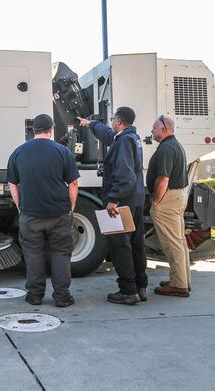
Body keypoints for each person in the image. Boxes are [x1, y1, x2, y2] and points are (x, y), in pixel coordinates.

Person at [7, 114, 80, 307]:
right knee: (61, 254)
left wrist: (20, 206)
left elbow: (12, 183)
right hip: (59, 213)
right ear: (51, 129)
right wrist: (71, 207)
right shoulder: (63, 151)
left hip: (30, 215)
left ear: (33, 130)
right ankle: (62, 296)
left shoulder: (18, 152)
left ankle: (34, 294)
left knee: (33, 254)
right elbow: (72, 183)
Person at [77, 107, 147, 305]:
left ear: (120, 121)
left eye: (113, 118)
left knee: (120, 245)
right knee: (136, 244)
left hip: (122, 203)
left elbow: (125, 175)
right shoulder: (130, 137)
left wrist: (113, 199)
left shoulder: (124, 141)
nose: (111, 121)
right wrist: (90, 124)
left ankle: (127, 291)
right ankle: (140, 287)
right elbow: (108, 136)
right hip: (135, 200)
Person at [147, 115, 191, 297]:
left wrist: (156, 201)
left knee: (172, 243)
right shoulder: (176, 145)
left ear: (164, 129)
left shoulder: (166, 148)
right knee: (179, 241)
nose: (152, 130)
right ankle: (181, 280)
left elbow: (163, 178)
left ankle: (179, 285)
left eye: (154, 127)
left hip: (168, 198)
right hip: (178, 196)